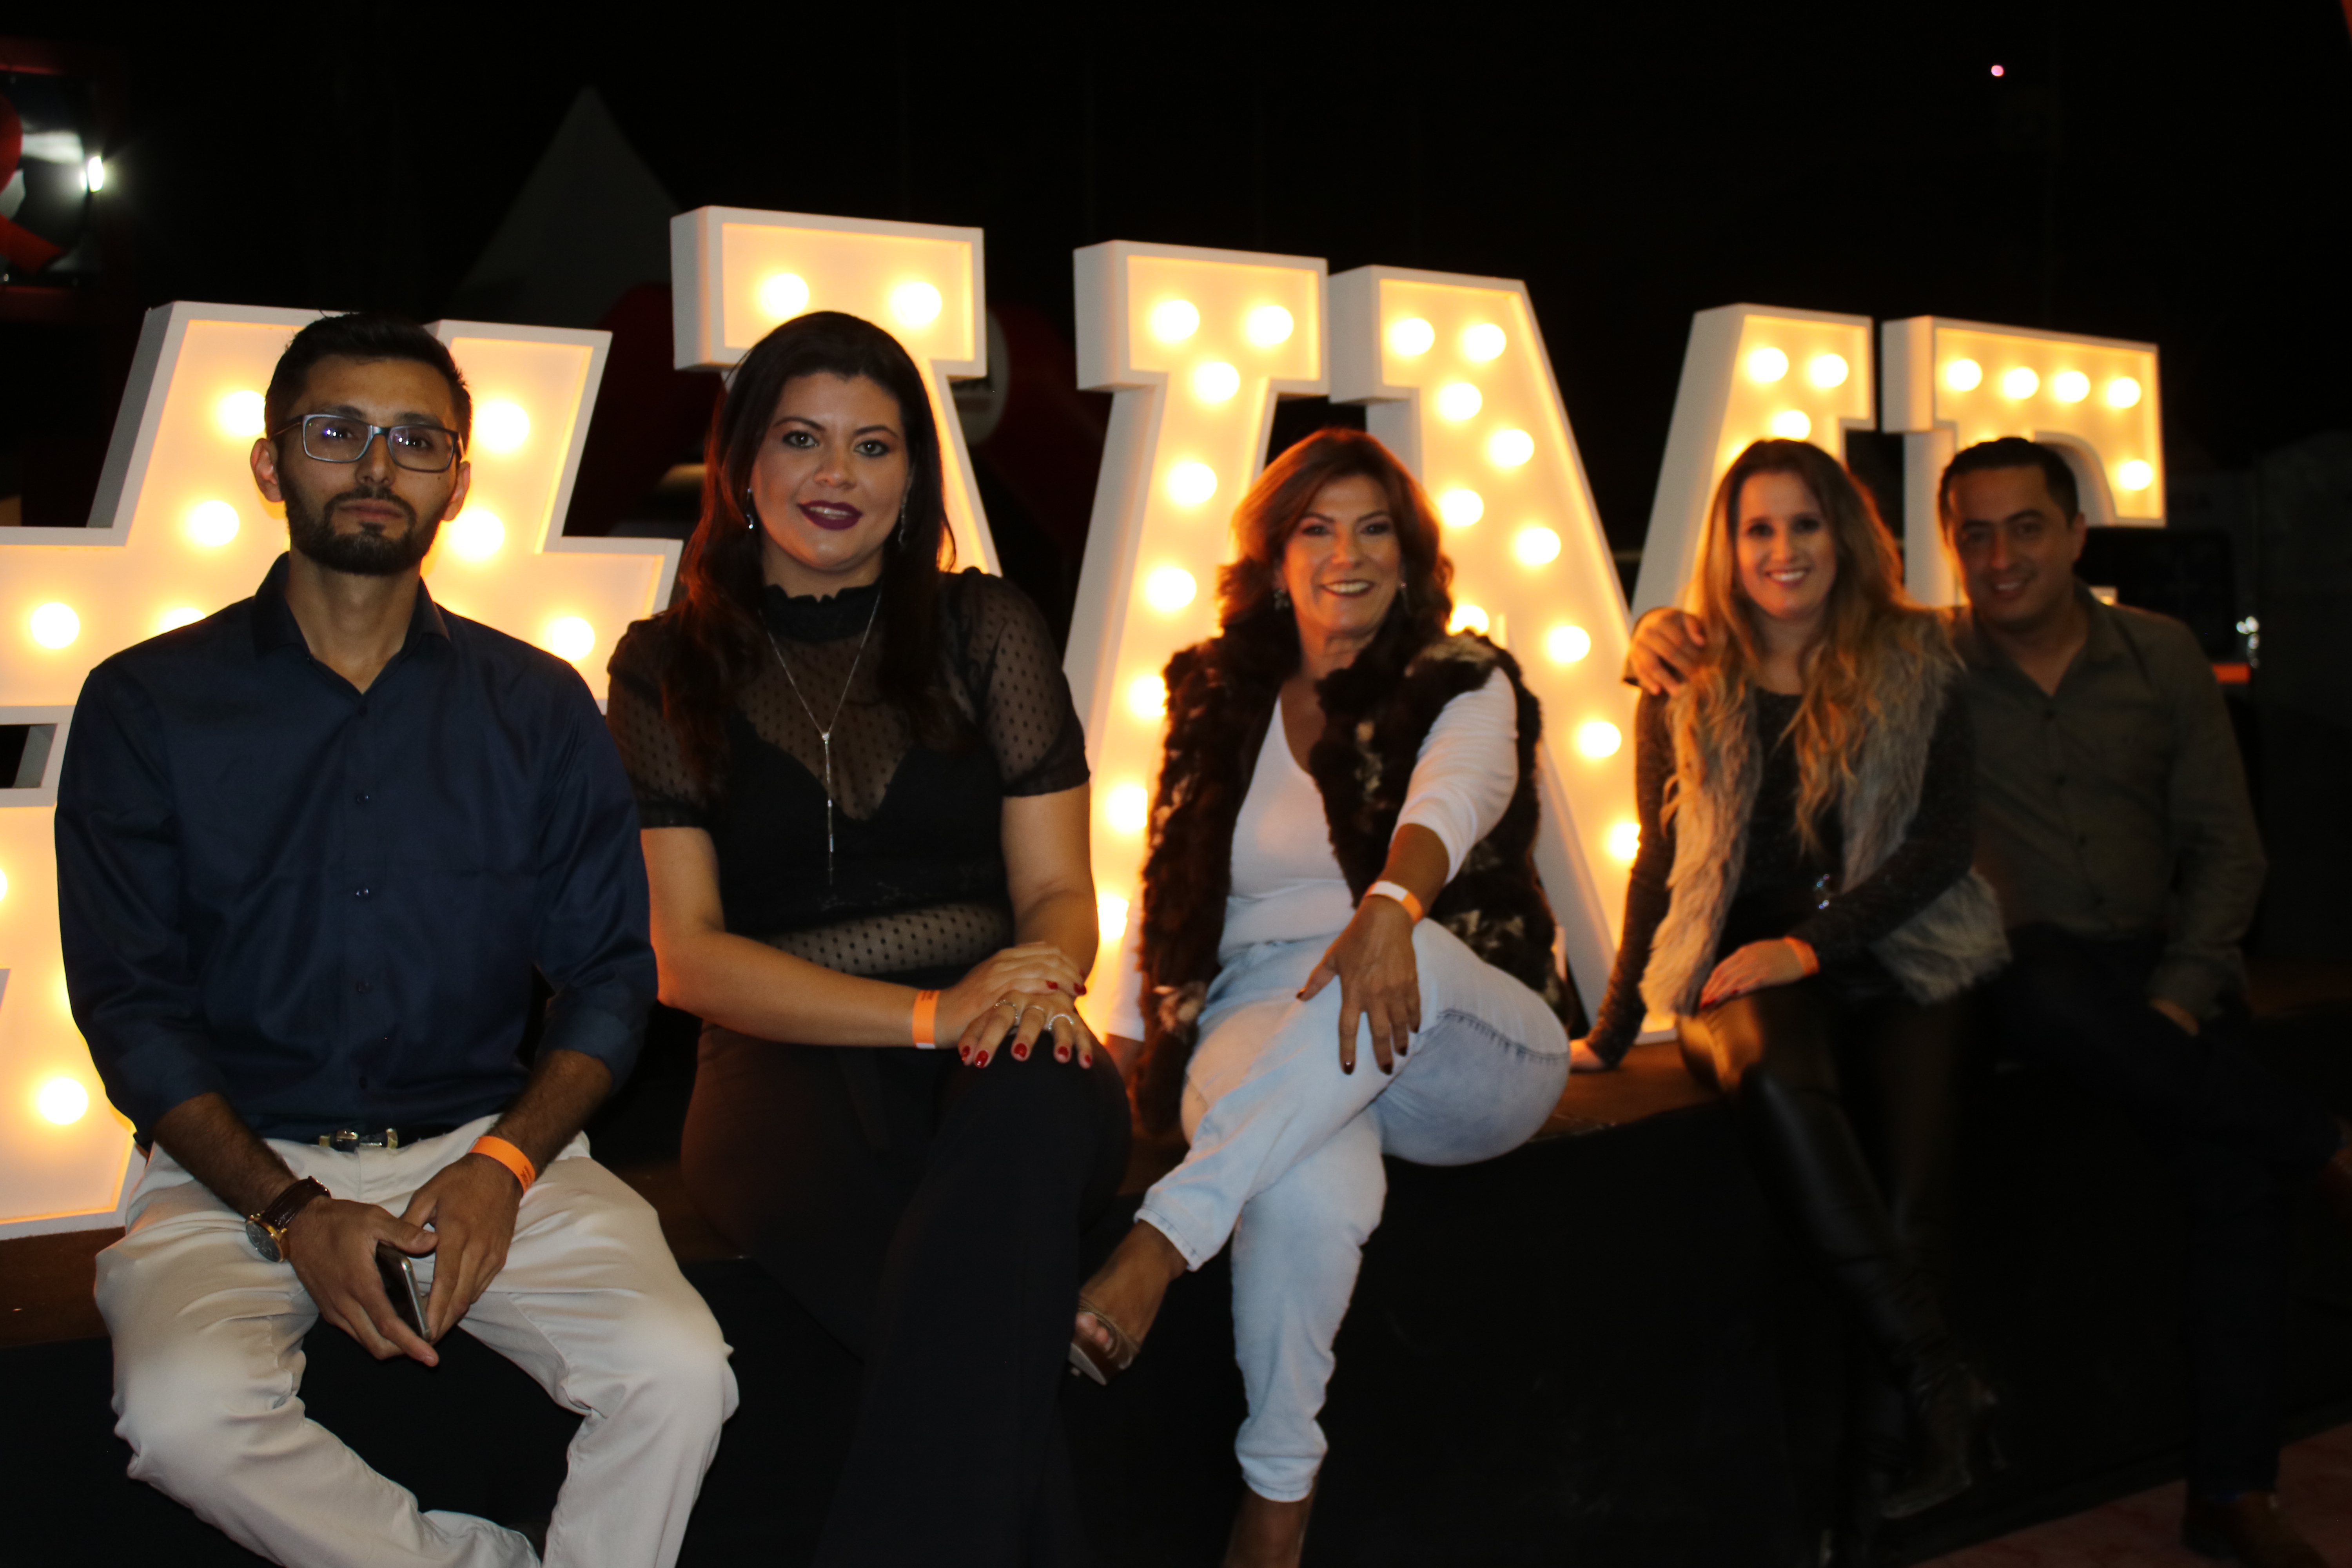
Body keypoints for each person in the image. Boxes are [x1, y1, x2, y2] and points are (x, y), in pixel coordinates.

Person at [60, 312, 737, 1568]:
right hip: (234, 1166)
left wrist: (504, 1166)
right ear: (271, 463)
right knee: (184, 1419)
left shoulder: (536, 705)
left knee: (682, 1373)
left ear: (458, 484)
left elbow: (609, 978)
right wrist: (288, 1208)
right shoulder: (148, 703)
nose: (378, 466)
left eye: (417, 441)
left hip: (490, 1148)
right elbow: (129, 1009)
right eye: (337, 432)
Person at [1628, 436, 2352, 1568]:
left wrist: (2176, 996)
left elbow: (2229, 847)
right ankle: (2324, 1144)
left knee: (2237, 1181)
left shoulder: (2157, 655)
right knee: (2040, 985)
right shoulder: (1924, 652)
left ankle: (2234, 1490)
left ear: (2077, 534)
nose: (2003, 556)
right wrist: (1658, 631)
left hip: (2145, 969)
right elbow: (1778, 655)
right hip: (2008, 969)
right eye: (1976, 534)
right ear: (1949, 548)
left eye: (2027, 528)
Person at [604, 310, 1128, 1566]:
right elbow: (685, 955)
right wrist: (927, 1015)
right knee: (982, 1328)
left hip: (1007, 1040)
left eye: (873, 445)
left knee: (1009, 1164)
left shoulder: (985, 627)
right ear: (742, 465)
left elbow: (1060, 893)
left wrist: (1031, 986)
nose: (836, 474)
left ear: (913, 476)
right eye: (801, 438)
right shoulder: (664, 665)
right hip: (773, 1063)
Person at [1071, 428, 1573, 1567]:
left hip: (1456, 1014)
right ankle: (1278, 1500)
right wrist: (1120, 1051)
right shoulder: (1213, 691)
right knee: (1306, 1191)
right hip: (1262, 1006)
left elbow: (1456, 796)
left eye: (1374, 528)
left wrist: (1391, 908)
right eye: (1318, 528)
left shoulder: (1462, 679)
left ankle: (1162, 1242)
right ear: (1276, 555)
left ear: (1410, 555)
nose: (1348, 554)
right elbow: (1167, 876)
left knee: (1403, 954)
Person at [1588, 438, 2009, 1565]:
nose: (1784, 550)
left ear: (1846, 535)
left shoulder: (1917, 657)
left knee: (1907, 1215)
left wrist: (1810, 948)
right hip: (1738, 958)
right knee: (1774, 1076)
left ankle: (1863, 1528)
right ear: (1729, 549)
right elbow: (1660, 858)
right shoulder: (1685, 675)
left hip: (1899, 946)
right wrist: (1616, 1024)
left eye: (1805, 524)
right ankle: (1942, 1378)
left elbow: (1941, 847)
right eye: (1759, 529)